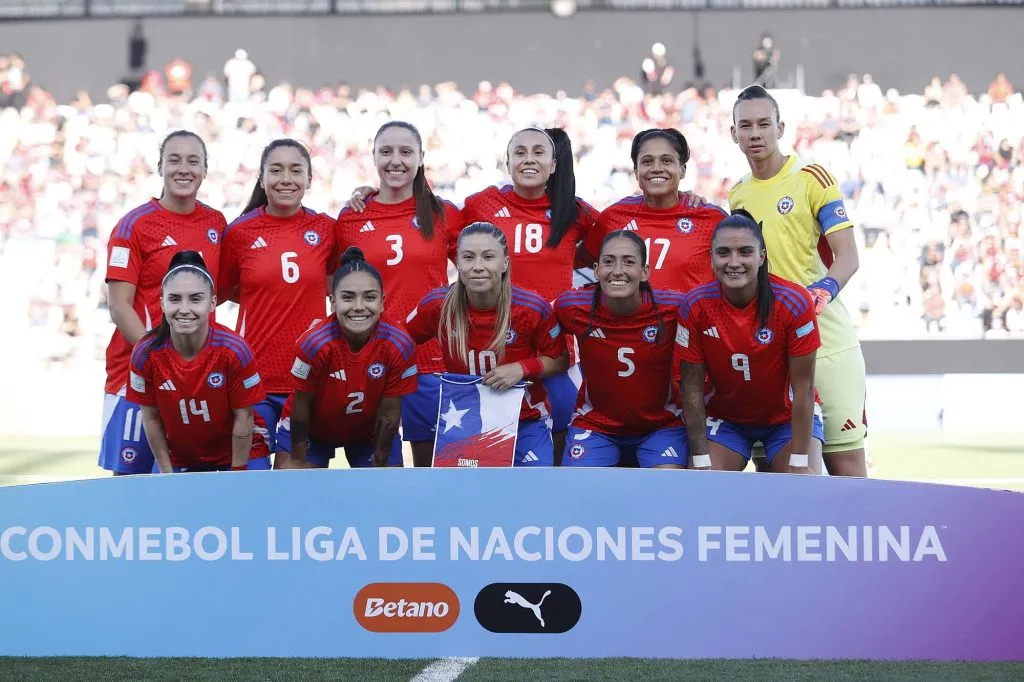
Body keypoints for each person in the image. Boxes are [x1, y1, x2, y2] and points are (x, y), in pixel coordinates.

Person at [346, 127, 597, 465]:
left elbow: (608, 250)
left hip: (550, 351)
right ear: (506, 162)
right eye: (519, 152)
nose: (529, 160)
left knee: (555, 459)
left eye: (539, 153)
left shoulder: (573, 210)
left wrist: (570, 270)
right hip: (478, 351)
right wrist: (372, 193)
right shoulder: (481, 205)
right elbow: (447, 235)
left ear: (554, 164)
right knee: (460, 463)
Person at [728, 85, 866, 477]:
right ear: (733, 133)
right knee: (774, 471)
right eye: (745, 126)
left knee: (845, 466)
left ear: (780, 128)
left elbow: (848, 256)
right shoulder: (737, 194)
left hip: (826, 344)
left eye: (763, 124)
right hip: (770, 351)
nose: (755, 133)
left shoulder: (811, 178)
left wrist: (821, 292)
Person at [334, 121, 463, 468]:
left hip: (430, 360)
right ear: (373, 156)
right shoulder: (351, 218)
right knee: (380, 473)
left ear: (421, 158)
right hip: (370, 360)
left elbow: (476, 274)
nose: (395, 160)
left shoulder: (443, 213)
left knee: (432, 472)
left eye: (406, 152)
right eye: (386, 152)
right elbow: (335, 285)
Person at [99, 130, 226, 475]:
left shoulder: (216, 223)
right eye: (174, 160)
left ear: (205, 169)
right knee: (131, 484)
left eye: (193, 161)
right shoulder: (134, 225)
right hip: (136, 376)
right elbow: (119, 306)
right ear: (159, 167)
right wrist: (157, 358)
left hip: (195, 378)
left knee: (187, 488)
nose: (183, 168)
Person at [405, 223, 569, 466]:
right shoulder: (437, 305)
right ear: (457, 263)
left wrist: (522, 368)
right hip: (463, 422)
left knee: (535, 487)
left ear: (505, 264)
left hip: (525, 421)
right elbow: (398, 343)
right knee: (463, 491)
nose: (478, 266)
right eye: (468, 257)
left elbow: (560, 359)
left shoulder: (531, 308)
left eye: (488, 257)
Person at [676, 211, 823, 473]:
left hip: (787, 418)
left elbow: (804, 388)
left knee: (801, 489)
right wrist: (700, 459)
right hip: (726, 419)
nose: (734, 262)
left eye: (745, 252)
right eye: (723, 253)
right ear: (711, 258)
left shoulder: (794, 301)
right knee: (703, 487)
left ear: (761, 256)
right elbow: (692, 388)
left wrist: (799, 462)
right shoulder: (696, 305)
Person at [218, 139, 336, 463]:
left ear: (309, 179)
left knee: (295, 487)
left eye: (296, 170)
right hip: (252, 380)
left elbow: (339, 287)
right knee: (251, 484)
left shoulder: (327, 229)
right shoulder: (239, 233)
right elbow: (220, 294)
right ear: (261, 178)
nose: (286, 179)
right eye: (276, 170)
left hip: (307, 382)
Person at [126, 251, 270, 473]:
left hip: (240, 451)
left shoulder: (234, 350)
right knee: (166, 495)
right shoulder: (144, 353)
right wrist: (167, 474)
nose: (184, 309)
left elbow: (244, 416)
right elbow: (151, 418)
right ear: (162, 303)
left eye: (195, 299)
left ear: (212, 303)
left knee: (247, 495)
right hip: (180, 457)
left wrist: (237, 473)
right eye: (175, 299)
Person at [555, 230, 687, 469]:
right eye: (609, 261)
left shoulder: (673, 308)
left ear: (645, 272)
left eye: (628, 262)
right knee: (579, 487)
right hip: (595, 424)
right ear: (596, 270)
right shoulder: (571, 306)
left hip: (661, 425)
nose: (617, 270)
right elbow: (535, 326)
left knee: (668, 485)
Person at [275, 248, 418, 469]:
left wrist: (380, 463)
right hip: (313, 429)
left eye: (369, 297)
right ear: (333, 302)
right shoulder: (313, 343)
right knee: (294, 483)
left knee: (386, 486)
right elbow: (301, 408)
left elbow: (389, 413)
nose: (359, 307)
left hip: (369, 432)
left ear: (382, 302)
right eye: (348, 297)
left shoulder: (400, 344)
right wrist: (299, 461)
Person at [585, 128, 727, 294]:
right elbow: (575, 261)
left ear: (682, 170)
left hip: (690, 313)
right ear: (636, 171)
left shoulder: (712, 219)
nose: (656, 168)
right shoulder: (614, 217)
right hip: (629, 312)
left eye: (666, 161)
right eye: (647, 161)